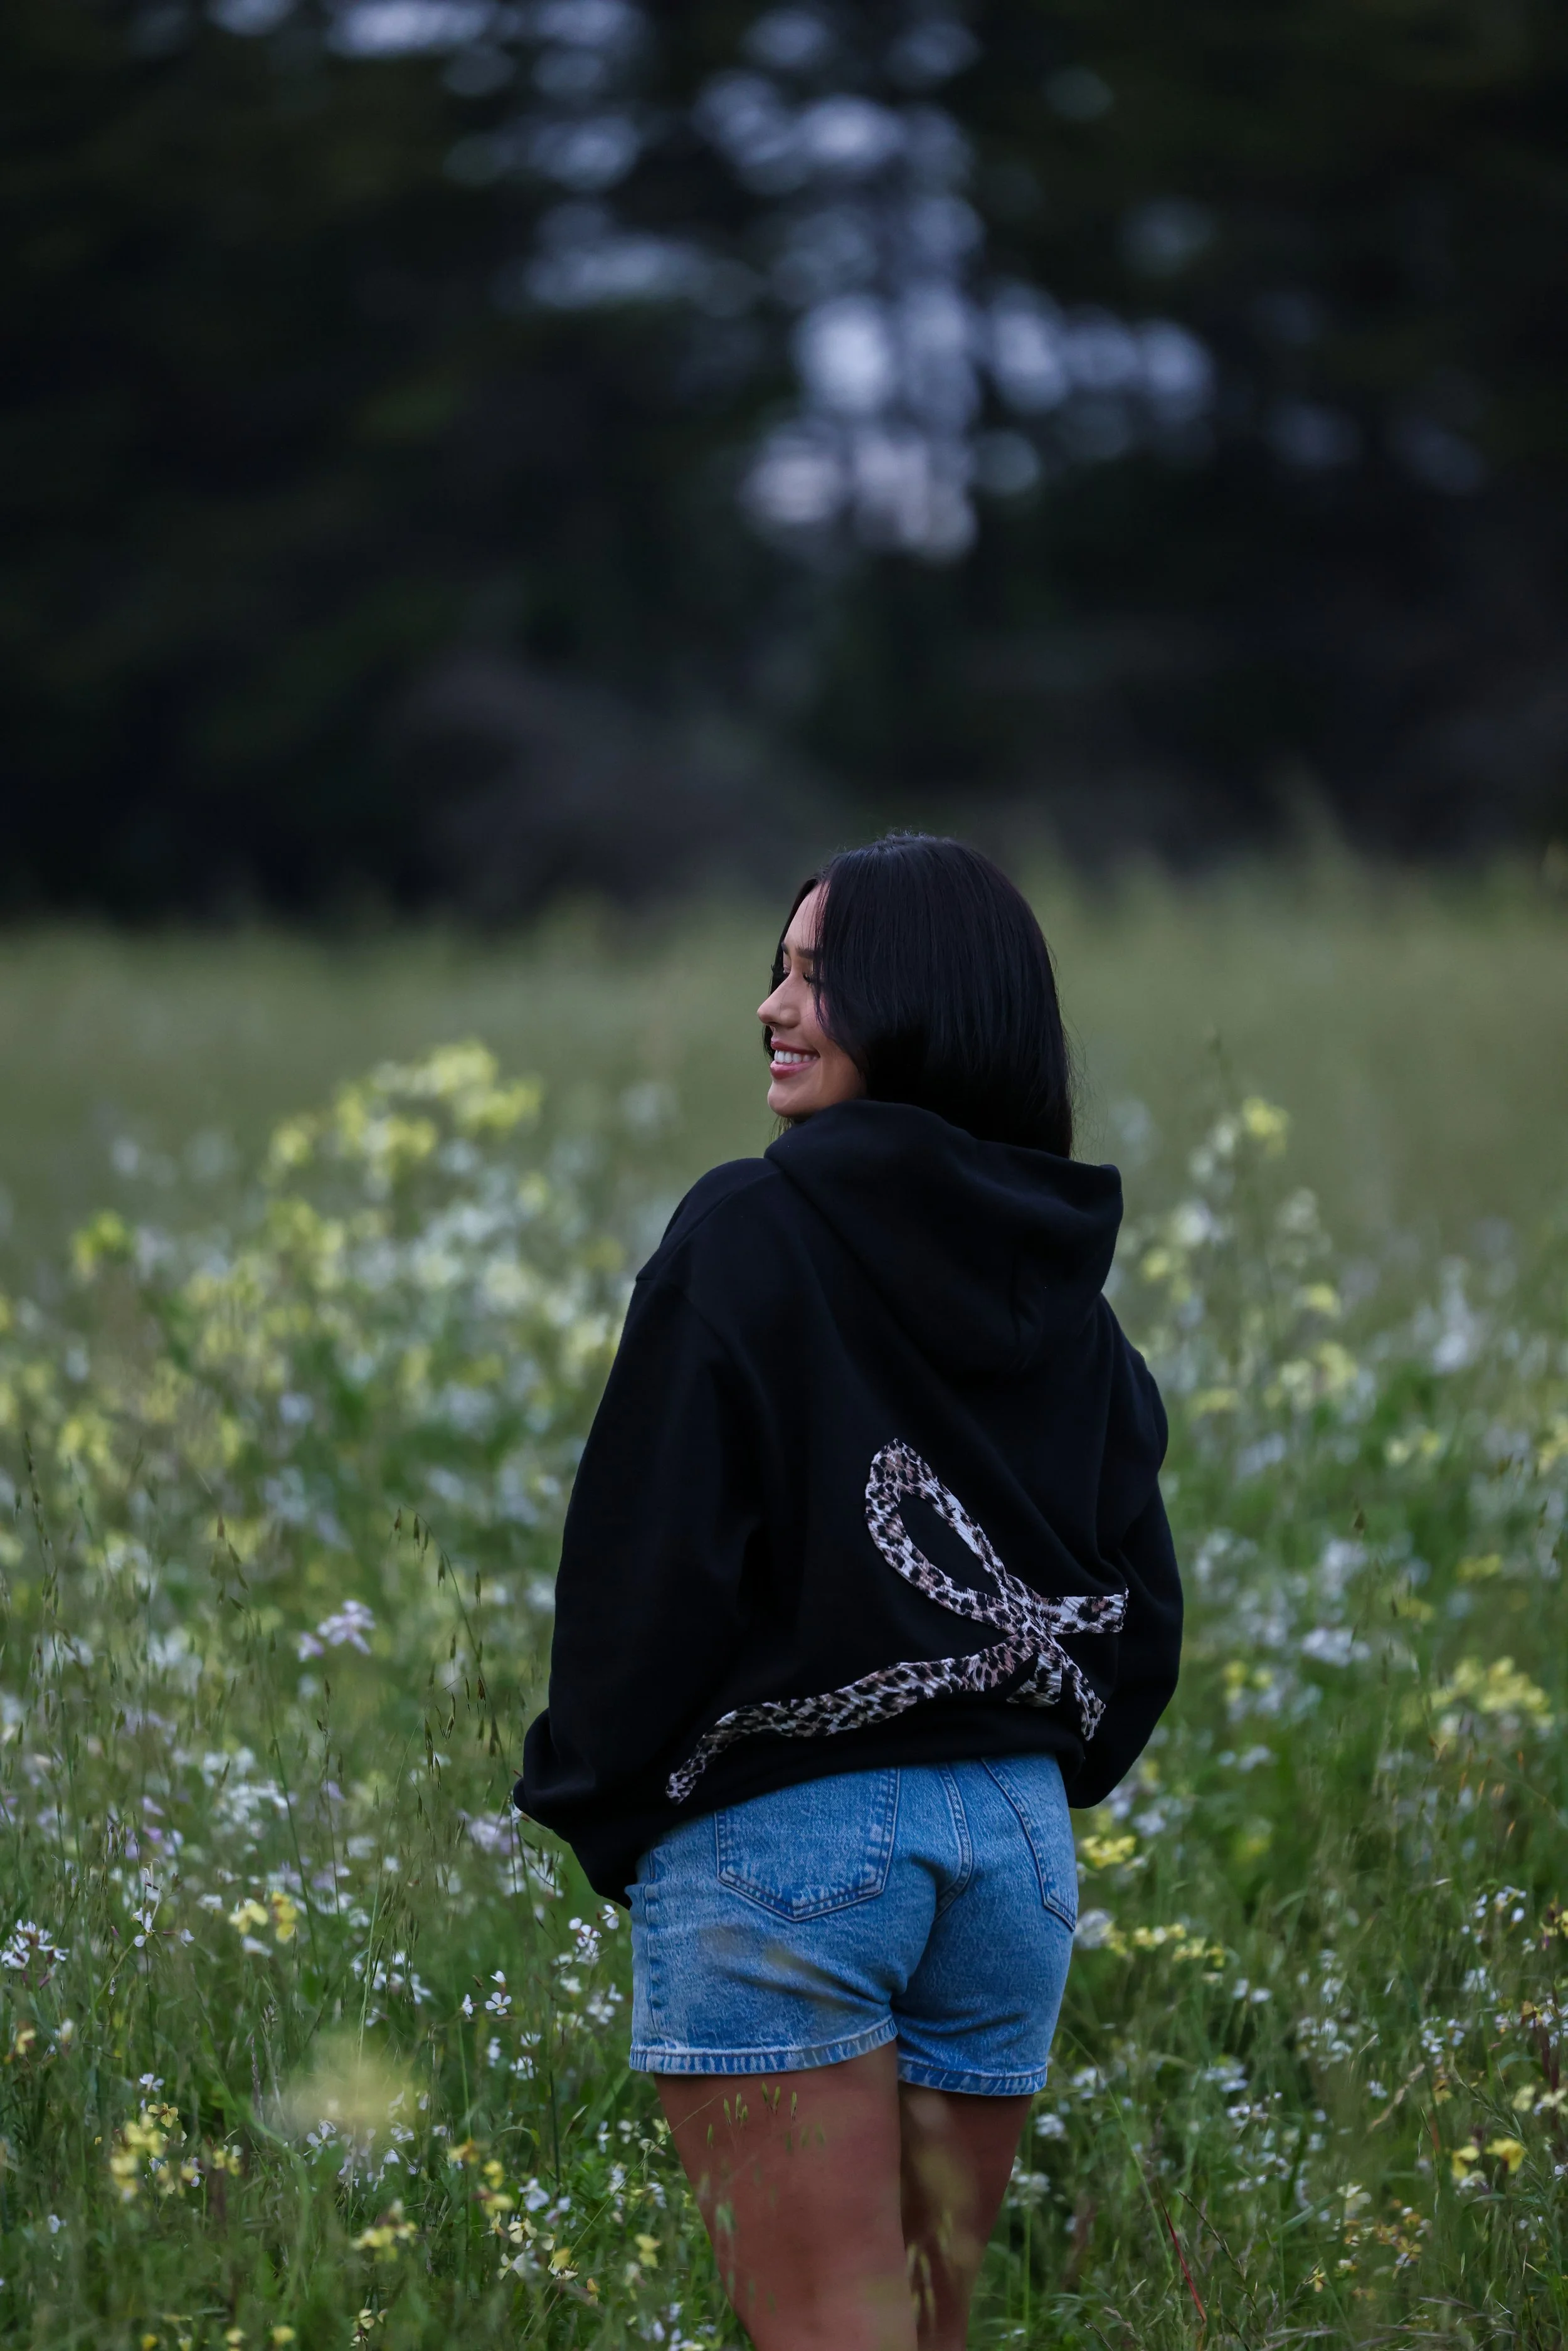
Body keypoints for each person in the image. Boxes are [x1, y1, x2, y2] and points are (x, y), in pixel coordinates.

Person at [521, 834, 1182, 2351]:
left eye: (819, 977)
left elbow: (643, 1574)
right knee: (918, 2331)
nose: (770, 1005)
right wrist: (1022, 1765)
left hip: (785, 1840)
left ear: (925, 1006)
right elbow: (1137, 1609)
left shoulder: (747, 1233)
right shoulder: (1067, 1293)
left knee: (826, 2328)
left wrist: (612, 1807)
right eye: (778, 967)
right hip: (1013, 1850)